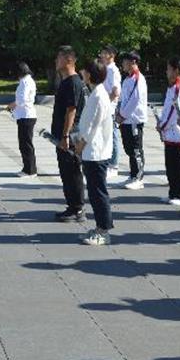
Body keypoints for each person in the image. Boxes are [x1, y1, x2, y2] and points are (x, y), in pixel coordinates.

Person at [74, 59, 115, 245]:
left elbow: (92, 125)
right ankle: (99, 228)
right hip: (93, 150)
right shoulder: (97, 93)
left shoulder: (98, 95)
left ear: (89, 74)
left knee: (98, 193)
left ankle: (104, 231)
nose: (81, 72)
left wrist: (81, 144)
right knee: (94, 192)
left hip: (95, 152)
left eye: (84, 70)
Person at [52, 46, 86, 222]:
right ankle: (72, 206)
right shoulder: (65, 81)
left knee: (72, 171)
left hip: (70, 136)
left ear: (68, 60)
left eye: (59, 58)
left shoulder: (73, 82)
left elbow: (71, 110)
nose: (56, 61)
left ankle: (78, 208)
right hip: (62, 135)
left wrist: (65, 135)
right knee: (66, 172)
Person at [157, 57, 180, 206]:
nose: (166, 72)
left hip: (176, 133)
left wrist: (162, 125)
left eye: (168, 69)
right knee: (170, 166)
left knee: (178, 166)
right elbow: (167, 109)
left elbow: (174, 112)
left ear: (176, 70)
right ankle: (173, 192)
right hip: (170, 133)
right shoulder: (172, 87)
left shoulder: (178, 87)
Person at [117, 52, 148, 190]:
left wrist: (122, 115)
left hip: (134, 119)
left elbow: (134, 100)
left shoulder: (138, 78)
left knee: (136, 149)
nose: (123, 64)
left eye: (125, 61)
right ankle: (133, 174)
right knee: (129, 148)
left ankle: (139, 178)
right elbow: (123, 99)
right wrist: (119, 113)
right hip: (126, 120)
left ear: (133, 62)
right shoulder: (127, 79)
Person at [9, 62, 38, 177]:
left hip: (26, 116)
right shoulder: (28, 80)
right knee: (25, 143)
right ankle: (28, 168)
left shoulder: (25, 82)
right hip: (26, 115)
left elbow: (22, 100)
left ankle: (30, 170)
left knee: (25, 144)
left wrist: (12, 105)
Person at [100, 45, 123, 177]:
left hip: (110, 108)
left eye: (104, 53)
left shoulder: (113, 70)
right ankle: (107, 162)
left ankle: (113, 165)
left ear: (111, 55)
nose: (102, 55)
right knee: (105, 135)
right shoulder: (106, 69)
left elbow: (115, 91)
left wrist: (107, 103)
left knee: (112, 136)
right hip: (104, 106)